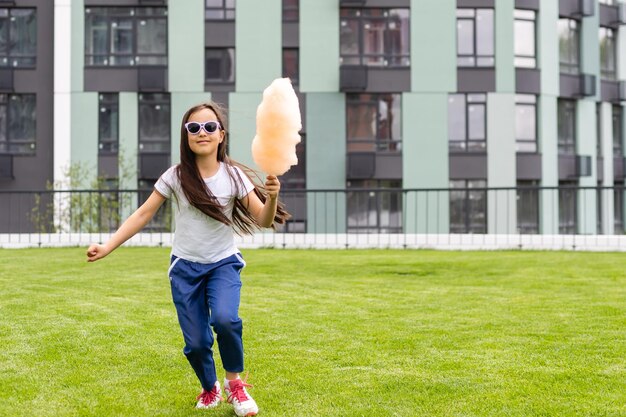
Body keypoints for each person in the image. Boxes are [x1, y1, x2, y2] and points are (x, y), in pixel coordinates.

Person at [86, 101, 289, 416]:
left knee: (225, 319)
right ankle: (210, 389)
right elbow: (143, 214)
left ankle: (235, 386)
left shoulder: (234, 177)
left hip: (223, 264)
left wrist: (272, 197)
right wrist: (108, 245)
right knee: (196, 343)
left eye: (210, 127)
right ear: (186, 136)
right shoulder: (175, 176)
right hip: (185, 269)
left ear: (222, 135)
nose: (202, 132)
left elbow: (263, 219)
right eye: (194, 128)